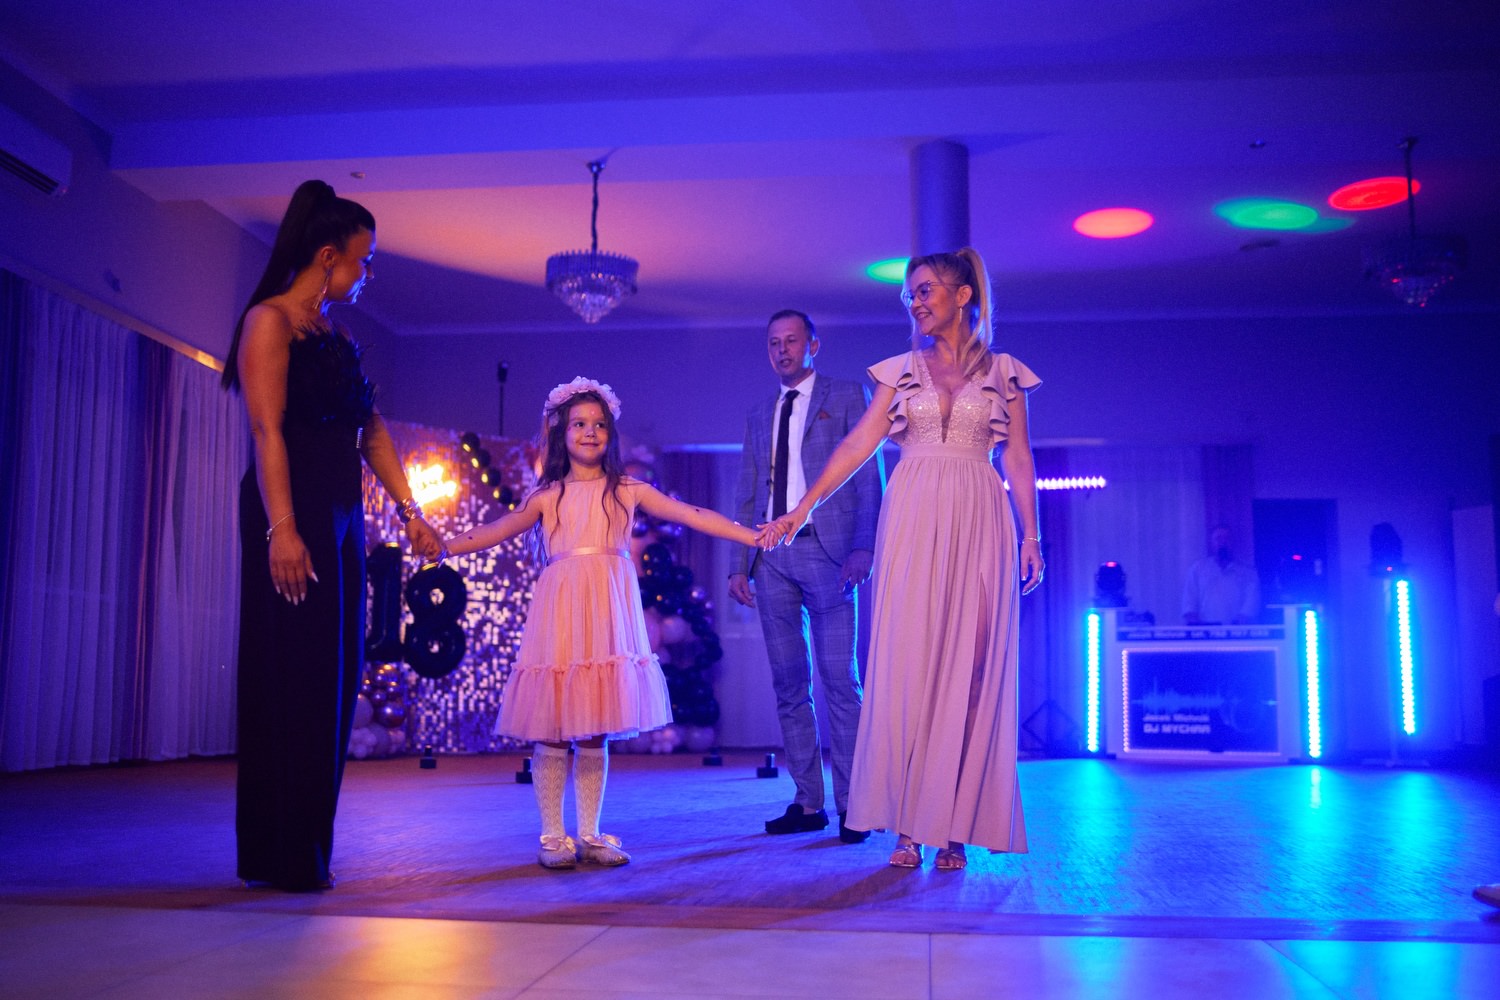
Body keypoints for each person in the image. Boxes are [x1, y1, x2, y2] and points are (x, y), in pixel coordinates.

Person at [761, 248, 1043, 871]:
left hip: (980, 516)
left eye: (925, 290)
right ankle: (909, 825)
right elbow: (858, 444)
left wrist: (1032, 536)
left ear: (963, 295)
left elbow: (1019, 456)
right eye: (910, 293)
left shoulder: (1004, 372)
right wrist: (804, 506)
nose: (914, 302)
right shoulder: (901, 371)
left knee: (970, 668)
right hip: (913, 515)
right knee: (909, 664)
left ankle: (954, 827)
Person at [443, 378, 764, 869]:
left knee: (594, 727)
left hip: (608, 611)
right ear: (562, 432)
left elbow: (691, 513)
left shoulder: (626, 489)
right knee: (553, 724)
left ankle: (591, 832)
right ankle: (553, 836)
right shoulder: (548, 495)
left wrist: (751, 536)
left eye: (598, 424)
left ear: (610, 434)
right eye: (579, 424)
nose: (589, 432)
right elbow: (496, 529)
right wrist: (443, 547)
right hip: (561, 610)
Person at [223, 180, 443, 891]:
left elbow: (369, 430)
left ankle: (307, 851)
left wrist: (410, 510)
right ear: (327, 256)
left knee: (336, 679)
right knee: (295, 672)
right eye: (362, 259)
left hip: (342, 514)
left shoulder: (337, 335)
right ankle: (280, 853)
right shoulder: (269, 321)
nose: (367, 271)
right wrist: (283, 530)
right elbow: (267, 431)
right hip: (293, 510)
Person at [729, 310, 884, 844]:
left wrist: (864, 545)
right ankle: (807, 801)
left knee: (841, 680)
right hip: (771, 557)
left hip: (830, 551)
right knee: (789, 682)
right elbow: (748, 491)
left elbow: (867, 475)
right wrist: (740, 562)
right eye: (774, 342)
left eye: (791, 340)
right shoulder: (759, 413)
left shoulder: (847, 395)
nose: (782, 350)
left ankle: (855, 803)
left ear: (813, 344)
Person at [1182, 525, 1261, 625]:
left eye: (1227, 538)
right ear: (1211, 543)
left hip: (1237, 630)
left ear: (1233, 543)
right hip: (1205, 630)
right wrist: (1197, 625)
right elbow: (1189, 602)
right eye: (1218, 538)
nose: (1223, 542)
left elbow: (1251, 602)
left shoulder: (1248, 572)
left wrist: (1237, 624)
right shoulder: (1197, 569)